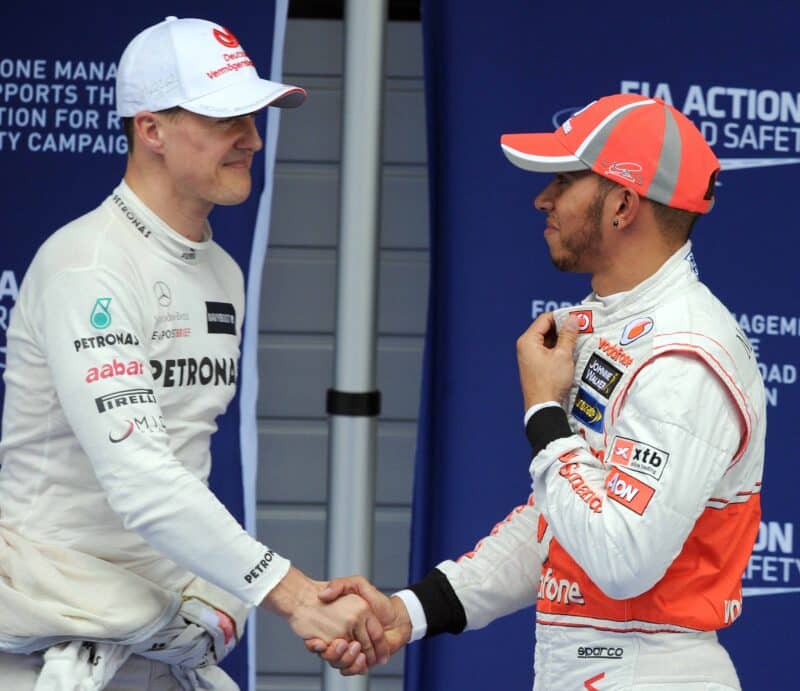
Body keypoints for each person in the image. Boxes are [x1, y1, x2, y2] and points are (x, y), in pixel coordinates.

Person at [311, 93, 766, 690]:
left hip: (650, 670)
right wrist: (410, 612)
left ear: (623, 205)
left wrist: (544, 414)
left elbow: (621, 559)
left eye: (565, 180)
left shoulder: (684, 357)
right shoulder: (613, 326)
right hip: (596, 665)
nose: (542, 199)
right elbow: (561, 524)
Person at [0, 16, 385, 690]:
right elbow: (141, 477)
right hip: (45, 651)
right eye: (227, 119)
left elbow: (182, 462)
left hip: (163, 642)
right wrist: (295, 595)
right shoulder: (87, 265)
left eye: (254, 116)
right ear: (150, 129)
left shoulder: (221, 273)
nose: (253, 139)